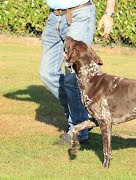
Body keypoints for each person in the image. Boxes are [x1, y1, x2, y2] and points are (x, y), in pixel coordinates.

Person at [39, 0, 116, 145]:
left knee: (71, 78)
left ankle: (78, 131)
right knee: (46, 73)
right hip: (54, 18)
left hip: (80, 15)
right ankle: (82, 115)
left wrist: (109, 13)